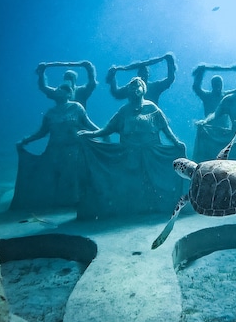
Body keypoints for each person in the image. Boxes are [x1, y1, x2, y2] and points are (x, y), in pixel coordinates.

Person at [76, 77, 186, 218]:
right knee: (131, 184)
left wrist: (176, 143)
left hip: (152, 154)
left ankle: (156, 209)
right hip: (129, 154)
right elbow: (107, 129)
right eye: (131, 87)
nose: (134, 89)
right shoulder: (123, 111)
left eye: (137, 86)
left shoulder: (152, 108)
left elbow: (165, 129)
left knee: (155, 182)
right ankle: (131, 210)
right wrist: (90, 134)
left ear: (143, 89)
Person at [11, 83, 99, 210]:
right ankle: (58, 204)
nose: (57, 91)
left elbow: (88, 124)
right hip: (54, 151)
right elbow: (42, 132)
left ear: (69, 94)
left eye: (61, 90)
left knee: (73, 176)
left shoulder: (76, 107)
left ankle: (74, 204)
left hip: (74, 150)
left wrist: (103, 132)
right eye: (57, 90)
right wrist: (25, 140)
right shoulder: (50, 113)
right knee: (53, 177)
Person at [106, 53, 176, 105]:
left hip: (150, 120)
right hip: (135, 120)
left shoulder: (154, 87)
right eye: (142, 73)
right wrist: (112, 77)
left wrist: (170, 62)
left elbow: (170, 79)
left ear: (148, 74)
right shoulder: (131, 89)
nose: (144, 75)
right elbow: (116, 94)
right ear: (138, 75)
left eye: (145, 73)